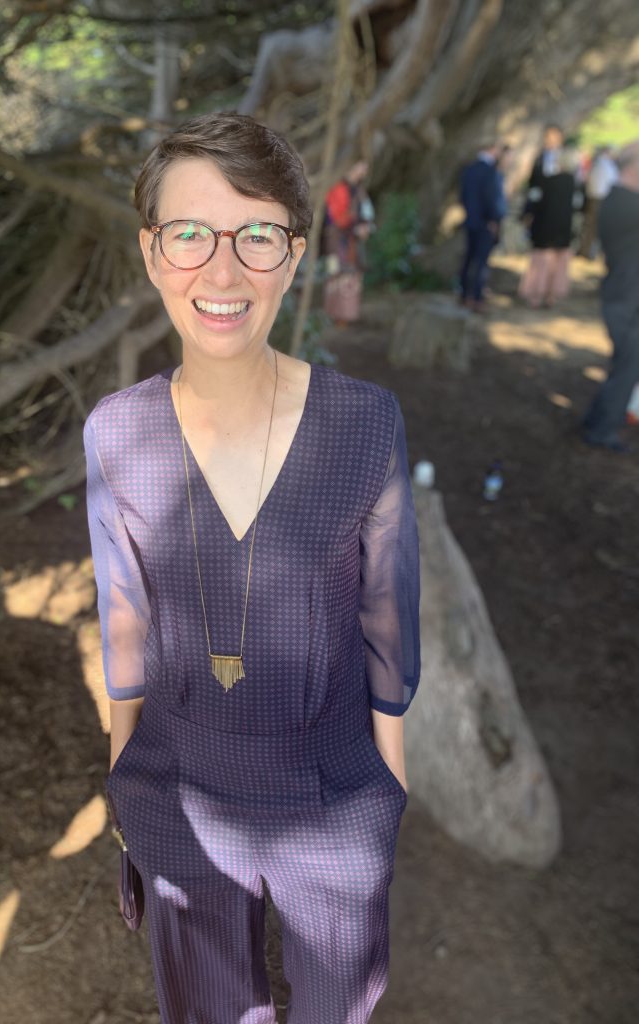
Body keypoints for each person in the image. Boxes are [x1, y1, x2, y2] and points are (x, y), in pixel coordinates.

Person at [83, 112, 421, 1023]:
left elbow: (388, 618)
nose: (221, 271)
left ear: (296, 253)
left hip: (334, 788)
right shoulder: (115, 431)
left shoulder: (365, 424)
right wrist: (127, 793)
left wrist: (387, 799)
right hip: (178, 788)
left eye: (256, 236)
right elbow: (123, 619)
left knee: (335, 1003)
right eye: (190, 234)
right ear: (153, 253)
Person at [581, 139, 639, 453]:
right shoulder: (626, 204)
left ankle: (595, 421)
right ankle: (601, 430)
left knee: (625, 366)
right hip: (626, 300)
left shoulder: (622, 199)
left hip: (625, 297)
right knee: (629, 368)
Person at [519, 135, 583, 308]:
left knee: (541, 262)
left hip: (545, 229)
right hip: (563, 230)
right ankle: (550, 296)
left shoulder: (548, 182)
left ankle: (536, 295)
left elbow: (535, 201)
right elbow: (578, 207)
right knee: (557, 263)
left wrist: (526, 215)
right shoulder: (575, 185)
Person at [322, 160, 375, 325]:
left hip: (352, 242)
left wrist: (366, 226)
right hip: (336, 240)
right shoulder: (337, 188)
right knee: (334, 273)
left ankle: (346, 315)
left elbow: (367, 212)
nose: (363, 171)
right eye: (361, 166)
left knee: (352, 276)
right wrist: (355, 228)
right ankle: (331, 313)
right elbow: (334, 217)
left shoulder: (359, 191)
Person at [458, 141, 506, 312]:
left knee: (468, 258)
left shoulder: (469, 169)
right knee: (481, 261)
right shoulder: (490, 171)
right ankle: (477, 296)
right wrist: (494, 219)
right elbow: (492, 199)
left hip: (471, 220)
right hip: (485, 222)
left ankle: (464, 293)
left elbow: (463, 196)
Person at [579, 145, 619, 259]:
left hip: (593, 198)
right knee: (595, 227)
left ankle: (586, 250)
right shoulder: (606, 165)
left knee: (589, 226)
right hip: (600, 199)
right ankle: (590, 252)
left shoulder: (597, 164)